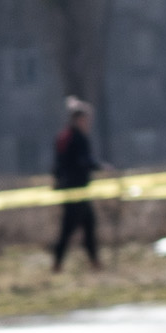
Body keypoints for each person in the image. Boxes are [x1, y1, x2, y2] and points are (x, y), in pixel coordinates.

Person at [50, 96, 101, 271]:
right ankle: (57, 263)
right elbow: (81, 161)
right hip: (75, 190)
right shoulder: (75, 138)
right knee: (69, 229)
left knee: (88, 225)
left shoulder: (67, 137)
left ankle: (94, 262)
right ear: (79, 119)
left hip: (76, 190)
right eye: (87, 119)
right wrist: (99, 166)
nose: (89, 123)